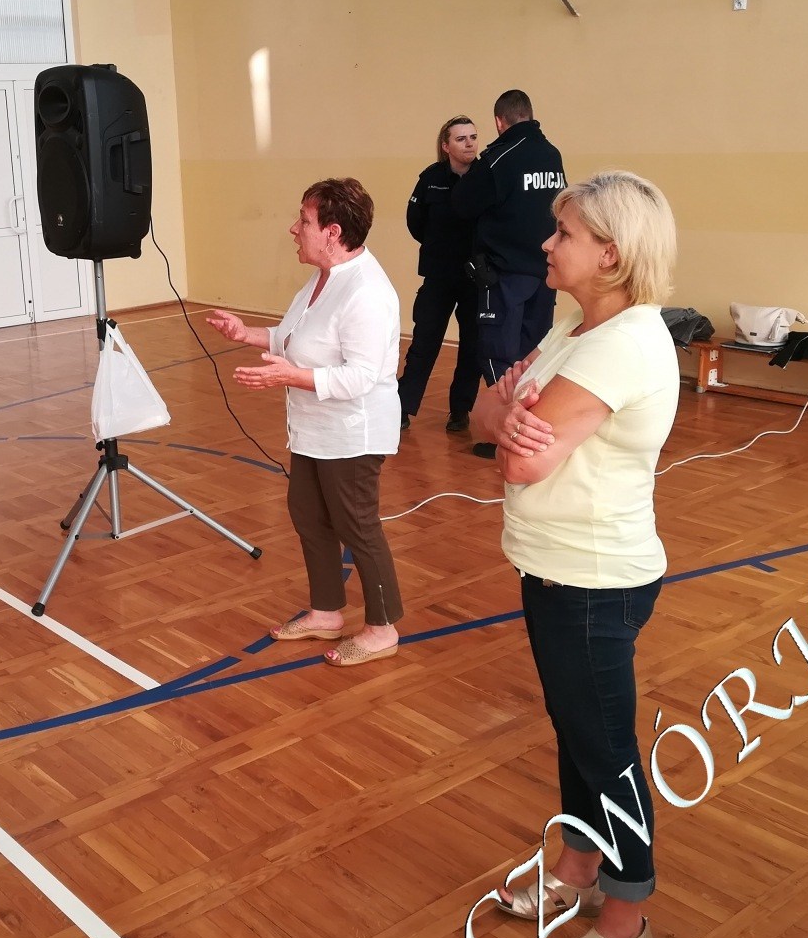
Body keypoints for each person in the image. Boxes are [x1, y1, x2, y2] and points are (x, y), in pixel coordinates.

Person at [469, 171, 679, 938]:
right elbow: (487, 418)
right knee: (577, 731)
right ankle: (579, 868)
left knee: (606, 750)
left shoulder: (623, 344)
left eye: (564, 234)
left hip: (593, 581)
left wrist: (506, 424)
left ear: (611, 255)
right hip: (553, 567)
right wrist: (503, 420)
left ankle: (627, 922)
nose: (546, 244)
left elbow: (516, 463)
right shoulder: (573, 327)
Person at [207, 178, 405, 668]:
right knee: (309, 514)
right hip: (314, 429)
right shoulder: (322, 279)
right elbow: (294, 336)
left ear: (333, 233)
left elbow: (361, 376)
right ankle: (326, 612)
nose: (293, 229)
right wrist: (246, 333)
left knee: (357, 526)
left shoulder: (366, 292)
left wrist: (290, 376)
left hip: (353, 434)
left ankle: (382, 628)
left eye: (304, 221)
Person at [451, 89, 567, 458]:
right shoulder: (551, 154)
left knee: (497, 353)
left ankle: (500, 434)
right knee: (533, 353)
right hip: (544, 273)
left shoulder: (500, 157)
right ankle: (530, 429)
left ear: (499, 122)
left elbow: (462, 204)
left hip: (505, 274)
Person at [398, 115, 483, 434]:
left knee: (472, 346)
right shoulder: (431, 177)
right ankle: (402, 408)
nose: (469, 143)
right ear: (446, 146)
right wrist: (438, 247)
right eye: (461, 139)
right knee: (424, 342)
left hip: (474, 277)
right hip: (438, 275)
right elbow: (415, 221)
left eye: (473, 137)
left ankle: (460, 411)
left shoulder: (485, 177)